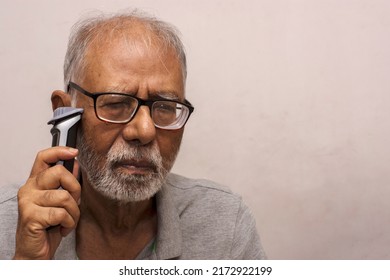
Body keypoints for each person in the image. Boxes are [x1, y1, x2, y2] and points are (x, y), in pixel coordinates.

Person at [0, 10, 266, 260]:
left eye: (164, 107)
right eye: (115, 104)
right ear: (65, 110)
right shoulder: (9, 221)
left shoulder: (225, 224)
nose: (145, 131)